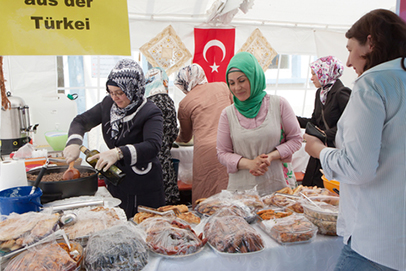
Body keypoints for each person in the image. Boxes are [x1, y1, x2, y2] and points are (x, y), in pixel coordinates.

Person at [304, 9, 406, 271]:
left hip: (375, 239)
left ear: (370, 43)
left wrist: (319, 151)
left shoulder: (371, 85)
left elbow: (358, 167)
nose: (348, 62)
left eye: (350, 49)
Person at [63, 59, 165, 219]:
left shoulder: (151, 112)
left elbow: (152, 146)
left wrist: (118, 153)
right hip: (116, 181)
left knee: (144, 228)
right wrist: (74, 142)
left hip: (144, 186)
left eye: (120, 93)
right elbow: (80, 121)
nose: (115, 97)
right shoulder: (108, 105)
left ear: (133, 89)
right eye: (111, 92)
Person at [217, 52, 302, 196]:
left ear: (254, 77)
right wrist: (249, 164)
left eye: (242, 80)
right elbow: (222, 153)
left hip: (277, 186)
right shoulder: (228, 114)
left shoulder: (278, 104)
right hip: (241, 190)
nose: (237, 88)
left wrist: (271, 156)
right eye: (231, 83)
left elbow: (296, 139)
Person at [175, 63, 233, 206]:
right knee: (230, 190)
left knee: (205, 193)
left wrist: (172, 137)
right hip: (230, 145)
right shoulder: (223, 87)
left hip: (205, 151)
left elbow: (185, 137)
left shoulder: (185, 103)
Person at [297, 56, 351, 187]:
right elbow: (315, 121)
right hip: (320, 149)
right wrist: (291, 118)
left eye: (314, 74)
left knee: (328, 189)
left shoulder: (341, 92)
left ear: (325, 72)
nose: (312, 78)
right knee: (310, 187)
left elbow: (349, 124)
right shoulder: (320, 93)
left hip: (335, 150)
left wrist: (326, 134)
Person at [145, 67, 180, 204]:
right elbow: (172, 131)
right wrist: (165, 144)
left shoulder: (144, 102)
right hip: (163, 157)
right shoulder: (167, 100)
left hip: (145, 158)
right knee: (167, 204)